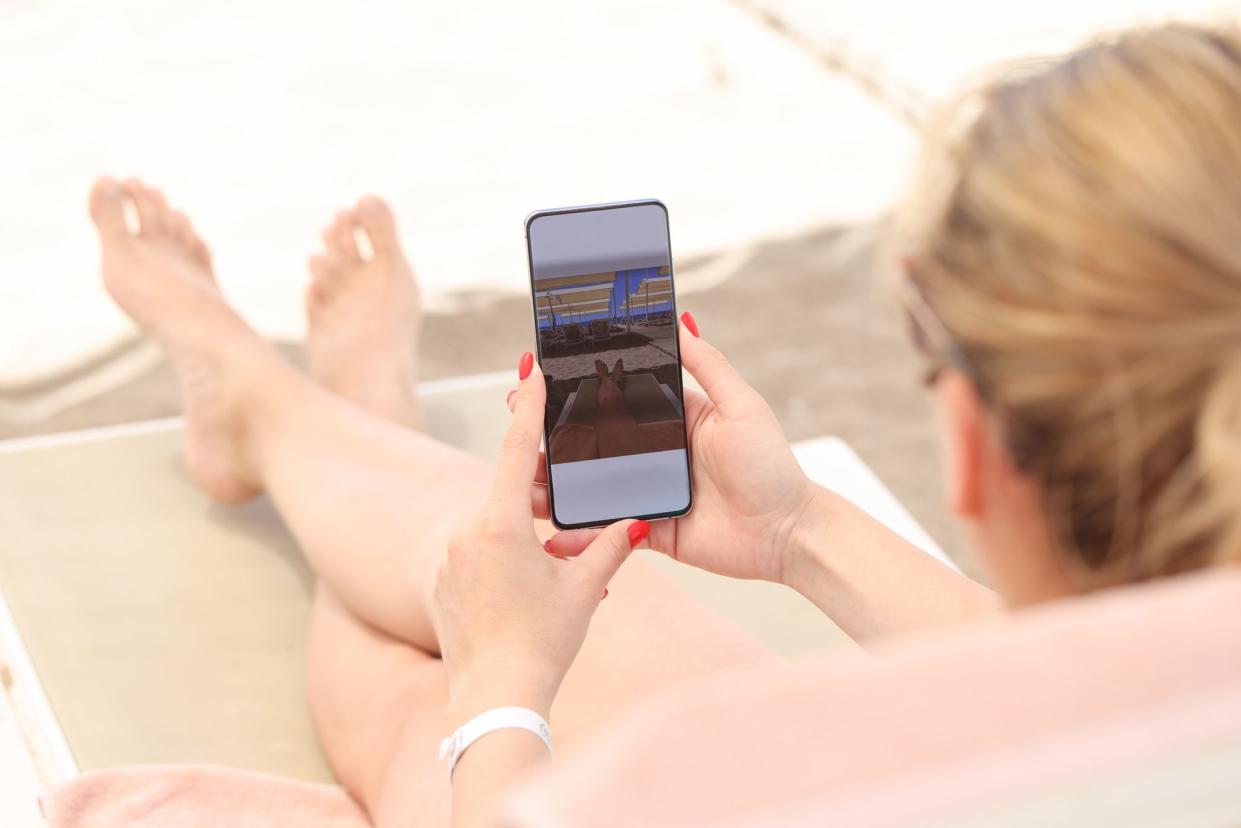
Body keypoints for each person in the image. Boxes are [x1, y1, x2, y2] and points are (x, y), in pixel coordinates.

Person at [85, 21, 1241, 827]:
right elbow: (1090, 674)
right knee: (560, 590)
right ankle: (311, 410)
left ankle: (287, 401)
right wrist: (796, 531)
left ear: (980, 451)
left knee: (442, 690)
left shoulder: (672, 782)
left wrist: (499, 692)